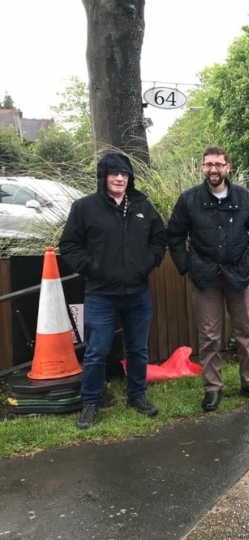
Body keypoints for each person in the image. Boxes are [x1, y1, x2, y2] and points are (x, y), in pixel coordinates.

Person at [59, 152, 167, 430]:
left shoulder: (142, 205)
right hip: (100, 294)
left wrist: (147, 263)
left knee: (138, 349)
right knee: (96, 351)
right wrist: (92, 267)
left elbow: (159, 238)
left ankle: (137, 396)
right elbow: (69, 245)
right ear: (104, 177)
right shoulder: (85, 207)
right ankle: (91, 404)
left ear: (130, 178)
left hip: (137, 293)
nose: (120, 178)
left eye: (124, 174)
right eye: (114, 174)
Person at [167, 146, 249, 412]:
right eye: (208, 164)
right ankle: (212, 388)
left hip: (239, 273)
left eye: (218, 164)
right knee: (209, 335)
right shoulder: (189, 199)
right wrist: (187, 265)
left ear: (227, 167)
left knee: (245, 331)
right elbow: (175, 236)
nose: (213, 169)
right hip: (205, 277)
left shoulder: (243, 198)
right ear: (203, 168)